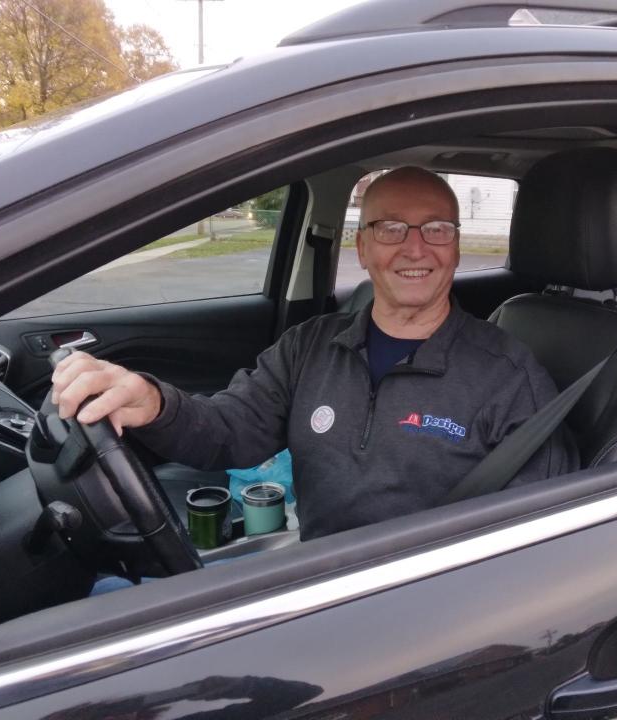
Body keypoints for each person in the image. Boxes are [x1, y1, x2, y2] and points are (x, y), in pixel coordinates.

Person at [52, 167, 578, 541]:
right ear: (363, 248)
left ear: (456, 247)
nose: (415, 248)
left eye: (436, 229)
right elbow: (228, 432)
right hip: (318, 583)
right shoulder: (311, 346)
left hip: (429, 610)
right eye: (391, 228)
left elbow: (536, 542)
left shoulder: (510, 378)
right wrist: (154, 404)